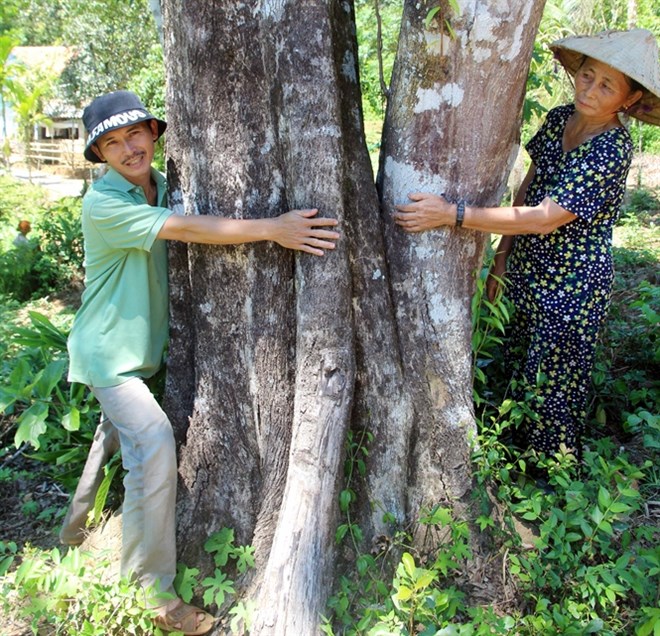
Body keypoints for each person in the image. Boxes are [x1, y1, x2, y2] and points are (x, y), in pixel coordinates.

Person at [59, 90, 339, 635]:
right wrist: (273, 228)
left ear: (153, 132)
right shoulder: (105, 203)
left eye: (135, 133)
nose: (128, 148)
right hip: (107, 353)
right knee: (153, 443)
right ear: (100, 156)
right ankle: (154, 595)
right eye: (112, 143)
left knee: (113, 430)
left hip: (132, 351)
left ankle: (71, 534)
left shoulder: (158, 186)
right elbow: (185, 229)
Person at [394, 29, 660, 462]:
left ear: (628, 101)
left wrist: (453, 214)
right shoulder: (559, 118)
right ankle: (511, 458)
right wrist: (501, 258)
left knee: (555, 383)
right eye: (587, 76)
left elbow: (544, 217)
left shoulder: (612, 148)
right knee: (518, 364)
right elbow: (528, 188)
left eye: (607, 86)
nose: (590, 90)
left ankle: (551, 477)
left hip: (573, 284)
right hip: (528, 267)